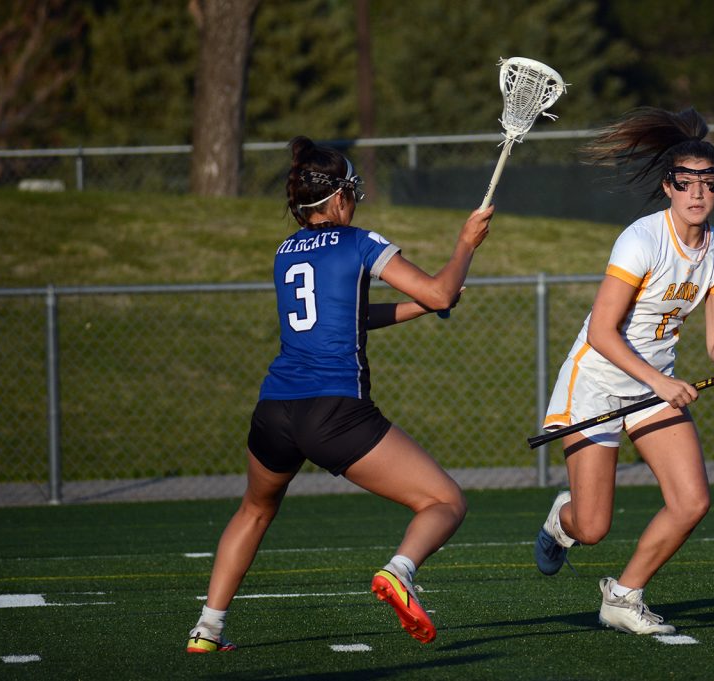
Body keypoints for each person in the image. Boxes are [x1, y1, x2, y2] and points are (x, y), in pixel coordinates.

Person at [186, 136, 493, 651]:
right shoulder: (358, 241)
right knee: (445, 501)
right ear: (338, 198)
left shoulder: (285, 252)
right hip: (334, 412)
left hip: (275, 411)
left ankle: (207, 629)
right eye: (353, 192)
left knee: (254, 511)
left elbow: (348, 317)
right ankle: (400, 571)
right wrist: (465, 245)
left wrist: (418, 307)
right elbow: (440, 291)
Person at [533, 107, 714, 635]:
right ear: (668, 187)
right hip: (597, 382)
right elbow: (601, 332)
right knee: (591, 527)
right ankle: (558, 521)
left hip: (653, 386)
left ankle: (623, 596)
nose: (697, 193)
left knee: (692, 501)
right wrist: (659, 381)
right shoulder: (641, 239)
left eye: (708, 183)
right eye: (686, 183)